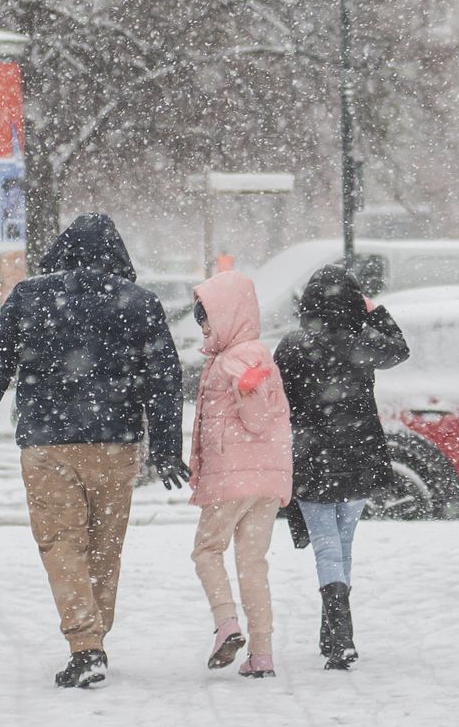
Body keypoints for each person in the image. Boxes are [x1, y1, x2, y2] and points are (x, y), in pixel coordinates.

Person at [0, 213, 187, 689]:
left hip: (48, 444)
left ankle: (86, 645)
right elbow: (164, 381)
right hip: (116, 444)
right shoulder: (138, 303)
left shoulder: (30, 297)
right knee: (106, 547)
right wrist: (167, 447)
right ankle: (93, 637)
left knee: (61, 543)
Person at [274, 265, 409, 671]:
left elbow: (278, 404)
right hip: (359, 455)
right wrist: (373, 310)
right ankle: (336, 634)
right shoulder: (362, 342)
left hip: (311, 457)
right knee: (343, 544)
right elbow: (400, 349)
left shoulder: (293, 346)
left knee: (327, 547)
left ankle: (338, 635)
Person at [187, 271, 292, 680]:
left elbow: (256, 418)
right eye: (200, 319)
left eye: (208, 318)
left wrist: (248, 391)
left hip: (232, 477)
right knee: (252, 563)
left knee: (207, 550)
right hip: (267, 480)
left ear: (229, 315)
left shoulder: (237, 358)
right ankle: (261, 654)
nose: (203, 327)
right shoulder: (255, 353)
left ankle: (226, 623)